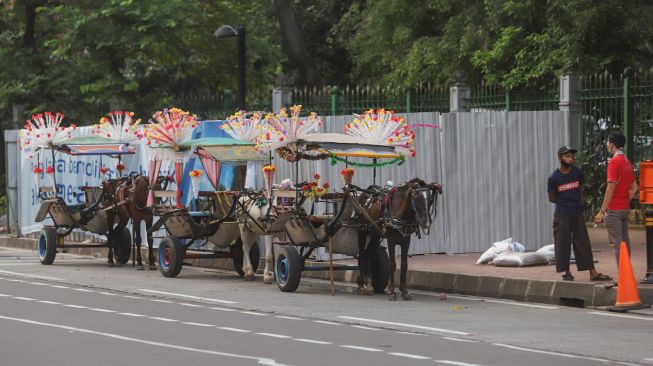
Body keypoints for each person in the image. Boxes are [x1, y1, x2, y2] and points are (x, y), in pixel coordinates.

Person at [548, 146, 612, 281]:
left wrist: (578, 203)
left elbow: (581, 189)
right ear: (560, 158)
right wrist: (566, 202)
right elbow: (552, 198)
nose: (570, 159)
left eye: (571, 156)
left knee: (583, 242)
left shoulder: (577, 172)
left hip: (577, 213)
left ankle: (593, 273)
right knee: (563, 243)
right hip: (562, 214)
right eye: (567, 156)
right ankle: (567, 272)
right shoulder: (554, 178)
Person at [594, 132, 638, 266]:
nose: (607, 145)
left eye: (608, 142)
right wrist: (624, 199)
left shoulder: (614, 162)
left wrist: (602, 211)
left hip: (614, 210)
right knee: (625, 242)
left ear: (612, 144)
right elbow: (635, 187)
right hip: (624, 208)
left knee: (617, 244)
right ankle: (626, 273)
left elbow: (611, 187)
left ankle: (622, 276)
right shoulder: (627, 162)